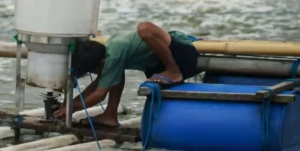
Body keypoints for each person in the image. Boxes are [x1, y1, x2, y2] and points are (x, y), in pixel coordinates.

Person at [53, 22, 199, 127]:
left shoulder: (114, 53)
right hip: (156, 65)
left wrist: (71, 107)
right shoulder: (111, 55)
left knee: (144, 28)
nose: (97, 73)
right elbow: (99, 84)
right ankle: (110, 115)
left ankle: (173, 70)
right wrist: (68, 104)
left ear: (101, 61)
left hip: (182, 54)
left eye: (94, 70)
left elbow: (100, 94)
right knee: (114, 74)